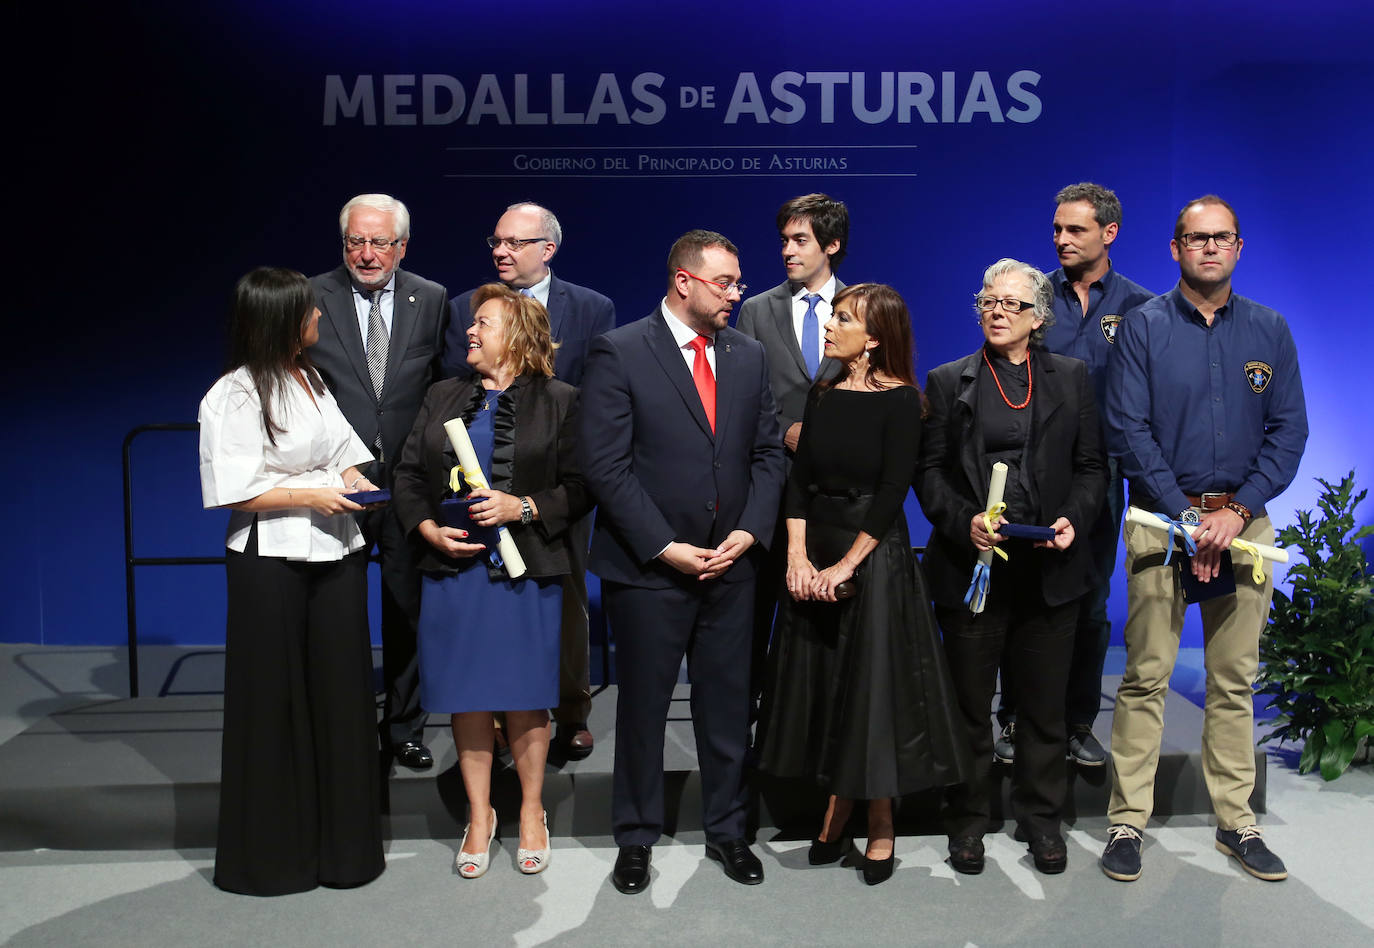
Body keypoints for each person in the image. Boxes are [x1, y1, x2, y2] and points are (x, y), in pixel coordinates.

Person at [1101, 195, 1307, 883]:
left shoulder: (1270, 331)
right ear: (1175, 249)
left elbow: (1289, 433)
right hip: (1163, 522)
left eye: (1222, 238)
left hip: (1244, 527)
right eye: (1196, 238)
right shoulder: (1143, 326)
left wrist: (1238, 510)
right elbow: (1128, 430)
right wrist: (1187, 517)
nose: (1209, 248)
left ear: (1239, 248)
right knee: (1146, 677)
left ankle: (1236, 823)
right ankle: (1127, 823)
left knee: (1235, 681)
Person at [578, 230, 785, 895]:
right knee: (641, 710)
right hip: (650, 570)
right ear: (684, 280)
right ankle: (635, 837)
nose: (736, 293)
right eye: (725, 282)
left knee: (728, 709)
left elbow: (768, 456)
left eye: (738, 282)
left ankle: (729, 830)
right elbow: (605, 466)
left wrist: (751, 534)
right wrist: (665, 546)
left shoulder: (749, 355)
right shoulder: (621, 350)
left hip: (732, 566)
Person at [755, 283, 969, 886]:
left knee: (872, 693)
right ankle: (836, 803)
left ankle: (879, 821)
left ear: (873, 337)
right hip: (814, 546)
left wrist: (845, 568)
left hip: (872, 557)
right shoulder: (822, 394)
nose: (830, 325)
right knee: (825, 686)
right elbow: (799, 483)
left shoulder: (904, 401)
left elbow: (893, 493)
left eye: (842, 319)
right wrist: (797, 559)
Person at [392, 283, 591, 879]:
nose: (469, 332)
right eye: (470, 323)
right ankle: (480, 817)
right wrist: (426, 527)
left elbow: (581, 488)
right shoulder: (442, 395)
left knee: (526, 696)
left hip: (526, 576)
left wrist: (522, 508)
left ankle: (532, 811)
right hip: (454, 574)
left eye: (484, 323)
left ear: (519, 336)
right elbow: (406, 474)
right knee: (466, 697)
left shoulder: (562, 400)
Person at [916, 259, 1106, 876]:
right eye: (988, 302)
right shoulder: (950, 381)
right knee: (970, 706)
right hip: (976, 568)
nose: (996, 312)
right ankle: (968, 820)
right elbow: (931, 472)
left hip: (1050, 571)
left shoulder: (1073, 377)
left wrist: (1075, 517)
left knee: (1045, 707)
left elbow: (1092, 467)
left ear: (1040, 318)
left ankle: (1042, 819)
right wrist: (961, 519)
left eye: (1011, 304)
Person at [198, 267, 385, 895]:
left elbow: (342, 450)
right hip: (269, 562)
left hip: (335, 554)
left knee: (340, 694)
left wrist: (353, 477)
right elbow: (234, 489)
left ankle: (344, 855)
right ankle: (274, 859)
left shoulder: (312, 379)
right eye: (308, 311)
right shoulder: (235, 393)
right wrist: (313, 495)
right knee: (273, 702)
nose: (318, 319)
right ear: (281, 319)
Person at [442, 202, 616, 760]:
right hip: (481, 473)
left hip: (560, 475)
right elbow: (456, 388)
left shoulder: (591, 308)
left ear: (548, 249)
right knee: (489, 602)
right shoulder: (462, 310)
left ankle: (570, 710)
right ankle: (494, 713)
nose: (501, 251)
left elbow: (601, 397)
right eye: (496, 241)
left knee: (564, 598)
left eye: (515, 243)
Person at [994, 183, 1154, 768]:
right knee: (1024, 595)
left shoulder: (1142, 306)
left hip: (1102, 474)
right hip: (1031, 469)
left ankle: (1077, 721)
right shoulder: (1032, 299)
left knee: (1086, 602)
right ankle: (1013, 717)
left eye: (1075, 230)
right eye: (1057, 229)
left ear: (1108, 233)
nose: (1060, 239)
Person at [310, 193, 450, 770]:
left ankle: (404, 728)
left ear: (402, 247)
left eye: (380, 242)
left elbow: (444, 385)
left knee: (406, 609)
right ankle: (337, 727)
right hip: (333, 482)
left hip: (410, 484)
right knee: (334, 611)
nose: (367, 254)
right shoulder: (311, 297)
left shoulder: (432, 298)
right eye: (356, 242)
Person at [736, 193, 849, 705]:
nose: (787, 250)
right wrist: (784, 430)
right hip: (770, 486)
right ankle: (749, 720)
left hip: (837, 493)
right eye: (784, 240)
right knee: (755, 610)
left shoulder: (861, 309)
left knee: (826, 615)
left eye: (800, 240)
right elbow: (737, 397)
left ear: (832, 244)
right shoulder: (756, 311)